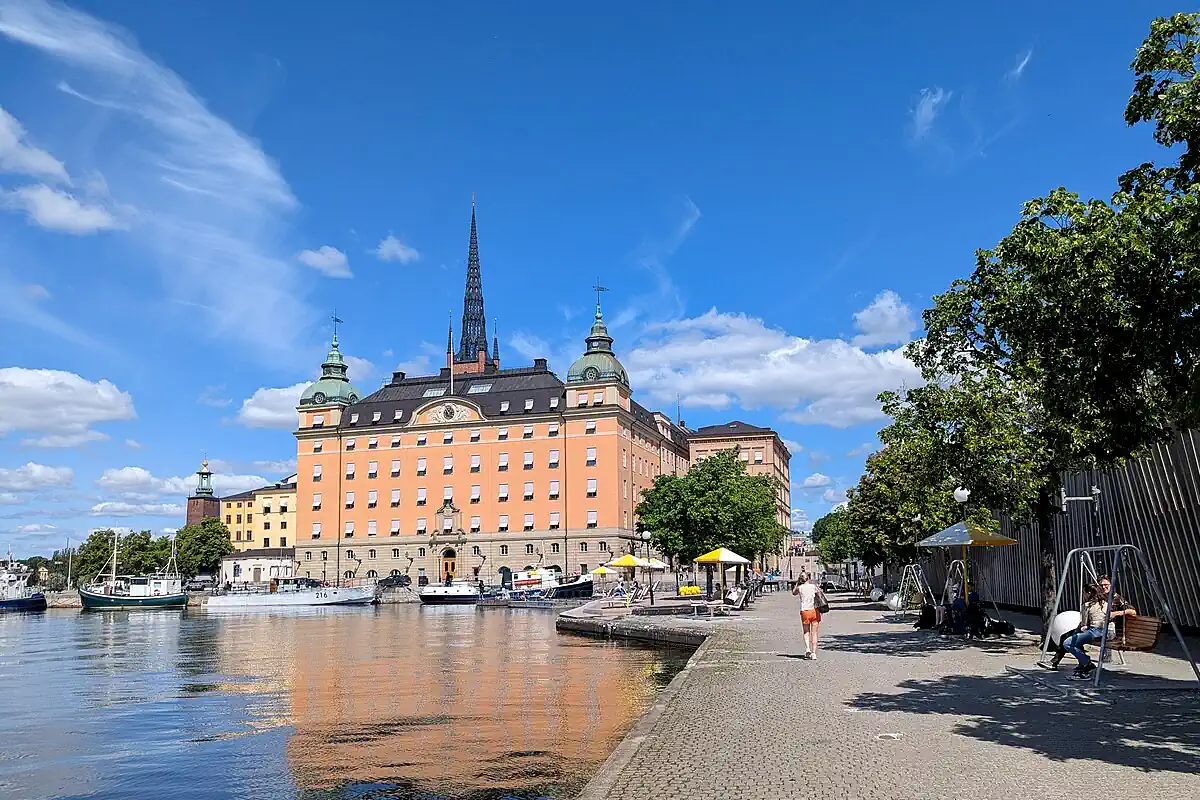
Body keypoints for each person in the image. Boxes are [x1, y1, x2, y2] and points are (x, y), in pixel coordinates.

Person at [1060, 577, 1137, 680]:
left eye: (1106, 585)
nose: (1104, 587)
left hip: (1101, 632)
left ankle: (1086, 665)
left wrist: (1115, 614)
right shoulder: (1105, 603)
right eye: (1101, 586)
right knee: (1071, 637)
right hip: (1104, 631)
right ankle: (1082, 666)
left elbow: (1132, 611)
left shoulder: (1113, 598)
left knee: (1068, 642)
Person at [792, 573, 823, 660]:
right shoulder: (813, 586)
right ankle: (813, 653)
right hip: (814, 610)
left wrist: (797, 583)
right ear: (808, 578)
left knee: (806, 631)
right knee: (814, 633)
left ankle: (807, 649)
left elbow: (794, 593)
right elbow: (819, 593)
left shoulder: (800, 588)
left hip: (804, 611)